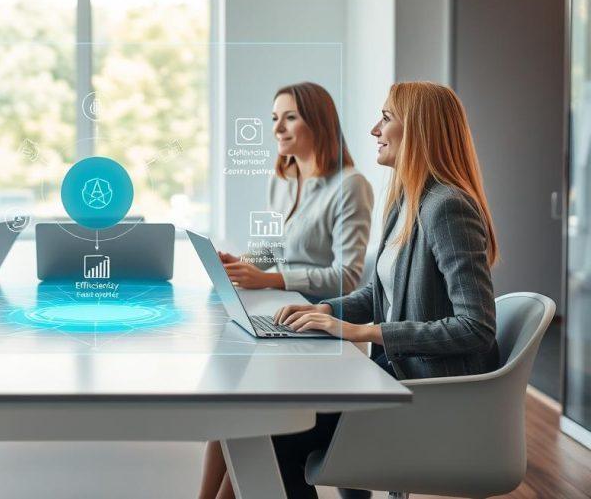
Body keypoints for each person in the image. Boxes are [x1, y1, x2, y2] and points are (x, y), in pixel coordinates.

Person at [198, 82, 500, 499]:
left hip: (428, 394)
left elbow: (476, 326)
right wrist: (322, 310)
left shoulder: (447, 206)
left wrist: (365, 332)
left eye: (387, 118)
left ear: (419, 129)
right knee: (255, 417)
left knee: (269, 429)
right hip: (395, 379)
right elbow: (377, 293)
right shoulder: (407, 202)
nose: (375, 130)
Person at [218, 82, 374, 302]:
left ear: (318, 124)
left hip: (320, 313)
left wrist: (270, 280)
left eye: (290, 118)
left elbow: (346, 278)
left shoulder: (350, 185)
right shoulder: (279, 181)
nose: (278, 128)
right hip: (284, 304)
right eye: (275, 118)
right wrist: (241, 264)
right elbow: (274, 249)